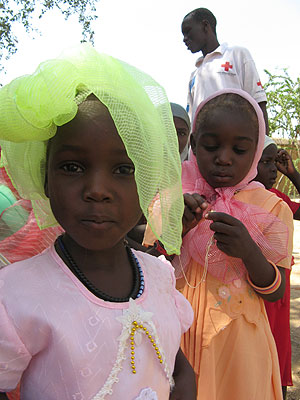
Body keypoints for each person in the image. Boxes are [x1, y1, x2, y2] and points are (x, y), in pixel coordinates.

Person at [0, 45, 196, 400]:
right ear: (45, 178)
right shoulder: (14, 296)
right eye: (73, 167)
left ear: (147, 183)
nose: (97, 190)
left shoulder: (159, 278)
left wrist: (184, 386)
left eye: (124, 170)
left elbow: (174, 362)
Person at [172, 89, 293, 399]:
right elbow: (149, 263)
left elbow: (276, 289)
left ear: (254, 152)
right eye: (211, 146)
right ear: (195, 145)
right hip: (177, 336)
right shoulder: (175, 196)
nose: (224, 158)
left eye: (239, 150)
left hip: (237, 345)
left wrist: (248, 250)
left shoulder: (271, 208)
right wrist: (177, 229)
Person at [255, 136, 300, 399]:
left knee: (277, 361)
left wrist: (293, 174)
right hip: (256, 299)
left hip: (278, 300)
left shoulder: (276, 199)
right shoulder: (231, 201)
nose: (273, 169)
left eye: (275, 162)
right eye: (265, 162)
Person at [181, 8, 269, 134]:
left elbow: (258, 102)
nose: (184, 39)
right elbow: (191, 121)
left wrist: (264, 145)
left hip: (235, 143)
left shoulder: (237, 55)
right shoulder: (194, 75)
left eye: (188, 31)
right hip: (205, 148)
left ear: (205, 26)